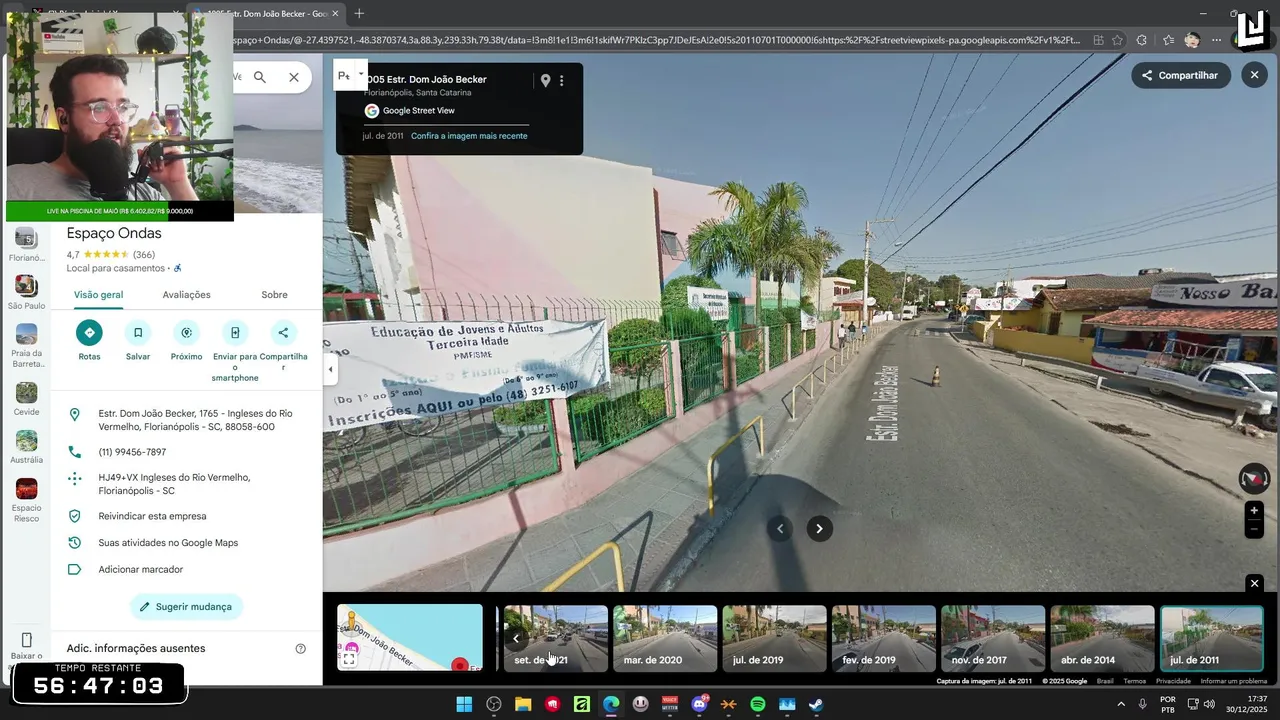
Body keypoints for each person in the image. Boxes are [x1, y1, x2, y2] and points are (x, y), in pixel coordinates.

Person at [7, 54, 197, 202]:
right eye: (99, 108)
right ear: (64, 119)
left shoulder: (143, 194)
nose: (117, 120)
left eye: (122, 107)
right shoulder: (15, 187)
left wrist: (178, 184)